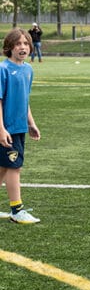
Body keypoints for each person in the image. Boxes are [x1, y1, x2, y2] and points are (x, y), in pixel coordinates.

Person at [0, 29, 42, 224]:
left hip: (19, 127)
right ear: (9, 47)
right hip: (6, 128)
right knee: (14, 167)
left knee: (4, 167)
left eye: (26, 43)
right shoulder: (3, 69)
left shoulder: (28, 70)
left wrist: (31, 123)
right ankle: (17, 210)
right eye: (18, 44)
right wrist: (1, 129)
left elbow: (25, 100)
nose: (23, 47)